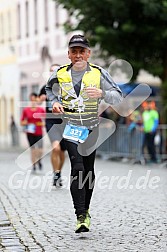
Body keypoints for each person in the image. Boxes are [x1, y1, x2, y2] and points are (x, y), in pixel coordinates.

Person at [45, 34, 123, 233]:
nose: (78, 55)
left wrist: (103, 94)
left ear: (88, 53)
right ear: (69, 54)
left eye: (82, 51)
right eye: (74, 51)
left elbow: (118, 96)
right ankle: (80, 214)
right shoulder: (60, 73)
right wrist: (54, 102)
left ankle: (86, 210)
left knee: (88, 171)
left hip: (91, 128)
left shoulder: (99, 73)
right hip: (70, 126)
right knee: (77, 167)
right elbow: (49, 88)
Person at [38, 64, 66, 187]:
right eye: (52, 71)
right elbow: (38, 100)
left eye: (56, 70)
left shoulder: (66, 87)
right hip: (51, 121)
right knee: (56, 148)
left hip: (65, 122)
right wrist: (42, 98)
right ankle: (55, 172)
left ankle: (58, 172)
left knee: (62, 151)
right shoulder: (46, 87)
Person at [20, 92, 45, 171]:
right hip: (30, 132)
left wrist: (41, 123)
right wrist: (28, 123)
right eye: (32, 100)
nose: (33, 101)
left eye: (35, 100)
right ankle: (34, 165)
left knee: (40, 149)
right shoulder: (26, 110)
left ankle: (39, 160)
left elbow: (46, 121)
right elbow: (21, 122)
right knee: (33, 149)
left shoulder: (41, 110)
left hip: (39, 132)